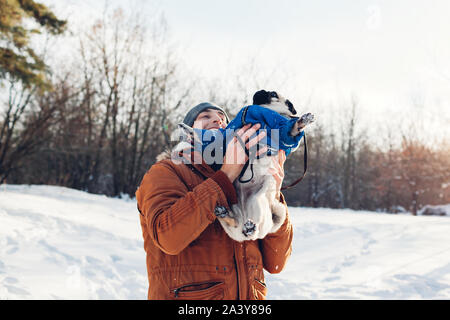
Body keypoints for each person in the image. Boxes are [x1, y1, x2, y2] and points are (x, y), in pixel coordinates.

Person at [136, 102, 293, 300]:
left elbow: (276, 262)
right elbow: (167, 236)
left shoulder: (245, 183)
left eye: (222, 118)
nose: (216, 119)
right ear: (188, 133)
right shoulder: (166, 171)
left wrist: (271, 194)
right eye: (204, 117)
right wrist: (225, 175)